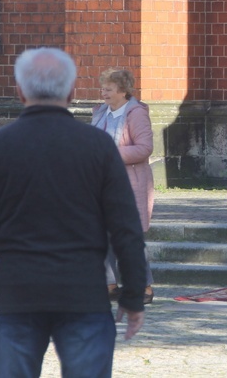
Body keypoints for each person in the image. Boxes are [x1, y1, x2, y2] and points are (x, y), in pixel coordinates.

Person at [0, 48, 147, 377]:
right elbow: (125, 228)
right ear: (72, 91)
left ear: (19, 90)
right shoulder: (98, 146)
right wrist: (132, 295)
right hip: (84, 293)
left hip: (19, 294)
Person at [92, 68, 156, 304]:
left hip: (130, 184)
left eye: (108, 89)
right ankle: (109, 285)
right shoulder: (100, 113)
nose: (104, 92)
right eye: (103, 88)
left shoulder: (135, 113)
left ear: (122, 90)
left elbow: (144, 148)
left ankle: (144, 287)